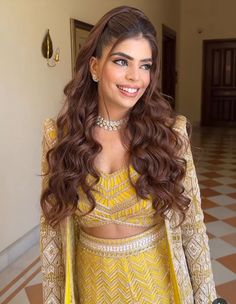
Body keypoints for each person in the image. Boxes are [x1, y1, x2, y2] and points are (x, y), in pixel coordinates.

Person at [40, 5, 217, 304]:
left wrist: (207, 299)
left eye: (145, 65)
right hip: (92, 289)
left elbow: (192, 227)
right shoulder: (60, 138)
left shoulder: (169, 135)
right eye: (122, 61)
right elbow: (52, 237)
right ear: (95, 67)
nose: (136, 77)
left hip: (158, 287)